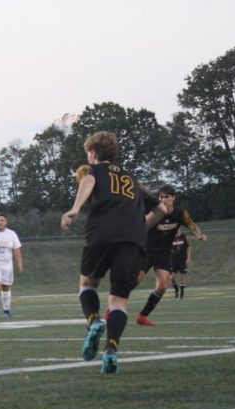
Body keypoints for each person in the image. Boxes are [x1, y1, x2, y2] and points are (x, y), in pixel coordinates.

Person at [61, 131, 167, 374]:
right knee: (118, 300)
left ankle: (94, 322)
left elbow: (88, 181)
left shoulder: (93, 171)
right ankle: (111, 350)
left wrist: (75, 210)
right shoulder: (132, 179)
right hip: (133, 241)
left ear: (94, 153)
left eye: (88, 152)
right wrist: (140, 227)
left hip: (101, 234)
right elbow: (161, 209)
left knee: (87, 284)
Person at [134, 185, 207, 325]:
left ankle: (142, 316)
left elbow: (192, 225)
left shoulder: (180, 213)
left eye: (166, 197)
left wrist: (199, 236)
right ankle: (114, 305)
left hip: (164, 253)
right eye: (161, 197)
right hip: (146, 250)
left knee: (162, 286)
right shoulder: (154, 211)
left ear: (173, 197)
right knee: (134, 281)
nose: (163, 200)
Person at [169, 229, 192, 299]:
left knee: (182, 278)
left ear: (180, 228)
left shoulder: (185, 237)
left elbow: (189, 247)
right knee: (172, 277)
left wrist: (188, 258)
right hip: (173, 260)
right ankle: (176, 289)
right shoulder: (171, 237)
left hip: (182, 260)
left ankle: (181, 296)